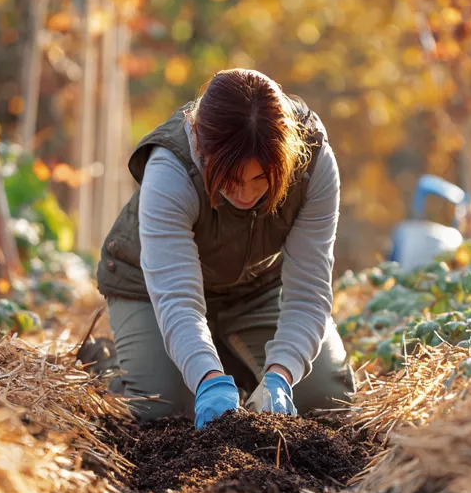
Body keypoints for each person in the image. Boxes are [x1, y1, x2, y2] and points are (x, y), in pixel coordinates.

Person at [95, 68, 355, 429]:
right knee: (160, 410)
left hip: (254, 289)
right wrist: (207, 380)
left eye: (260, 178)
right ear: (202, 149)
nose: (246, 194)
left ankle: (235, 368)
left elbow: (309, 293)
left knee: (327, 399)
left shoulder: (314, 167)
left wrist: (280, 375)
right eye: (231, 180)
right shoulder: (170, 169)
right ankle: (112, 364)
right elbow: (177, 299)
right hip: (150, 292)